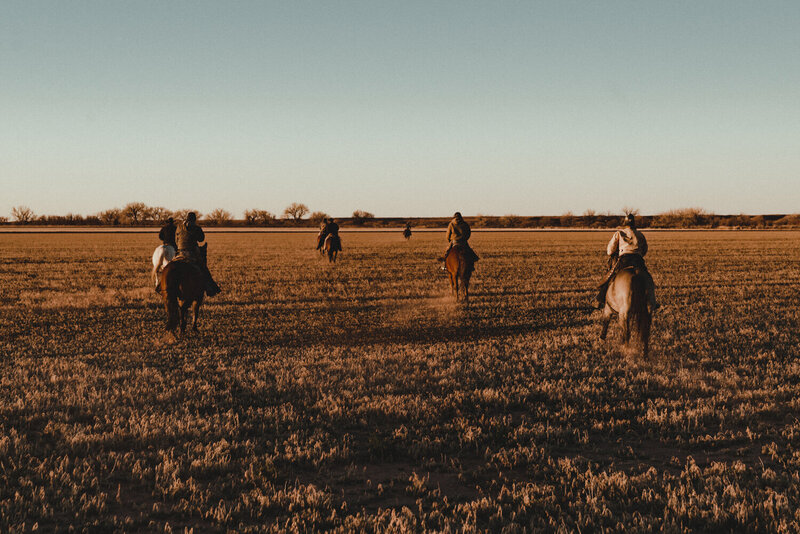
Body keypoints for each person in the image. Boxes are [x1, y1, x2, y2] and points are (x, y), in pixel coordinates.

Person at [594, 214, 658, 312]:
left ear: (624, 223)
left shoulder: (619, 233)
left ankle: (599, 299)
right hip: (638, 260)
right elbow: (644, 249)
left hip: (624, 259)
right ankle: (652, 301)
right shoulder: (640, 234)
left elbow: (610, 251)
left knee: (611, 277)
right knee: (647, 278)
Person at [175, 212, 221, 297]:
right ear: (194, 220)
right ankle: (210, 288)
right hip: (191, 251)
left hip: (179, 251)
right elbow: (201, 239)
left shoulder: (179, 227)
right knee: (203, 267)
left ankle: (160, 285)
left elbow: (176, 240)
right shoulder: (196, 228)